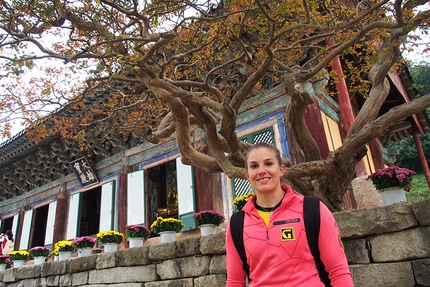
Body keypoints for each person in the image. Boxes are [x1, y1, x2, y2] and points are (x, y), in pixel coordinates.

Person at [226, 142, 354, 286]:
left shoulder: (313, 210)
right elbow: (234, 281)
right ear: (247, 175)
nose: (261, 171)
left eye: (268, 163)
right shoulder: (238, 223)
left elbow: (339, 272)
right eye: (254, 166)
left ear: (281, 170)